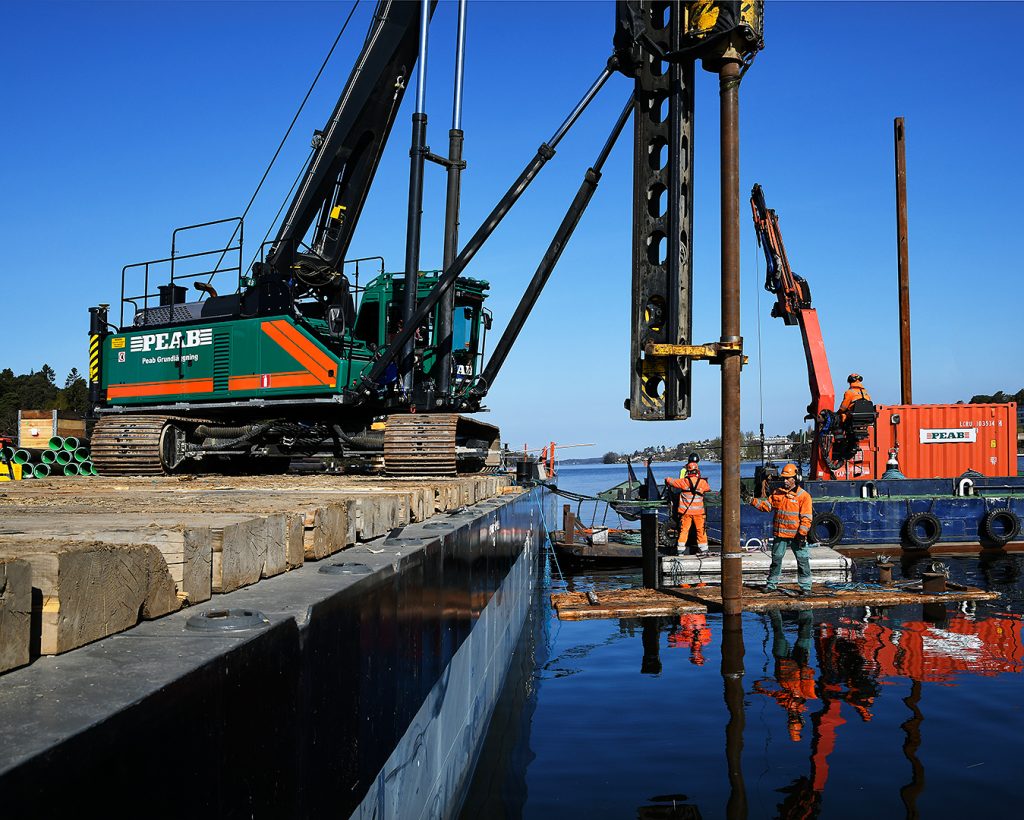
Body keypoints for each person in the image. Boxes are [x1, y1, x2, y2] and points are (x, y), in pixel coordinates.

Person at [750, 462, 813, 593]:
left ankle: (806, 587)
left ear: (795, 478)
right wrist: (751, 500)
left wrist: (802, 534)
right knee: (776, 559)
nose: (784, 480)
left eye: (787, 478)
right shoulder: (777, 493)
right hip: (780, 535)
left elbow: (806, 518)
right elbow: (766, 506)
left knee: (802, 561)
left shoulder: (804, 496)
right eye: (783, 478)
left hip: (797, 535)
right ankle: (772, 584)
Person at [665, 455, 711, 555]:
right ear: (697, 471)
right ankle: (704, 550)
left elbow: (671, 481)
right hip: (699, 513)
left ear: (688, 471)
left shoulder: (683, 482)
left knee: (684, 530)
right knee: (701, 530)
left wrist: (667, 479)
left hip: (686, 513)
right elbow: (708, 488)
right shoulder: (702, 483)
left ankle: (680, 550)